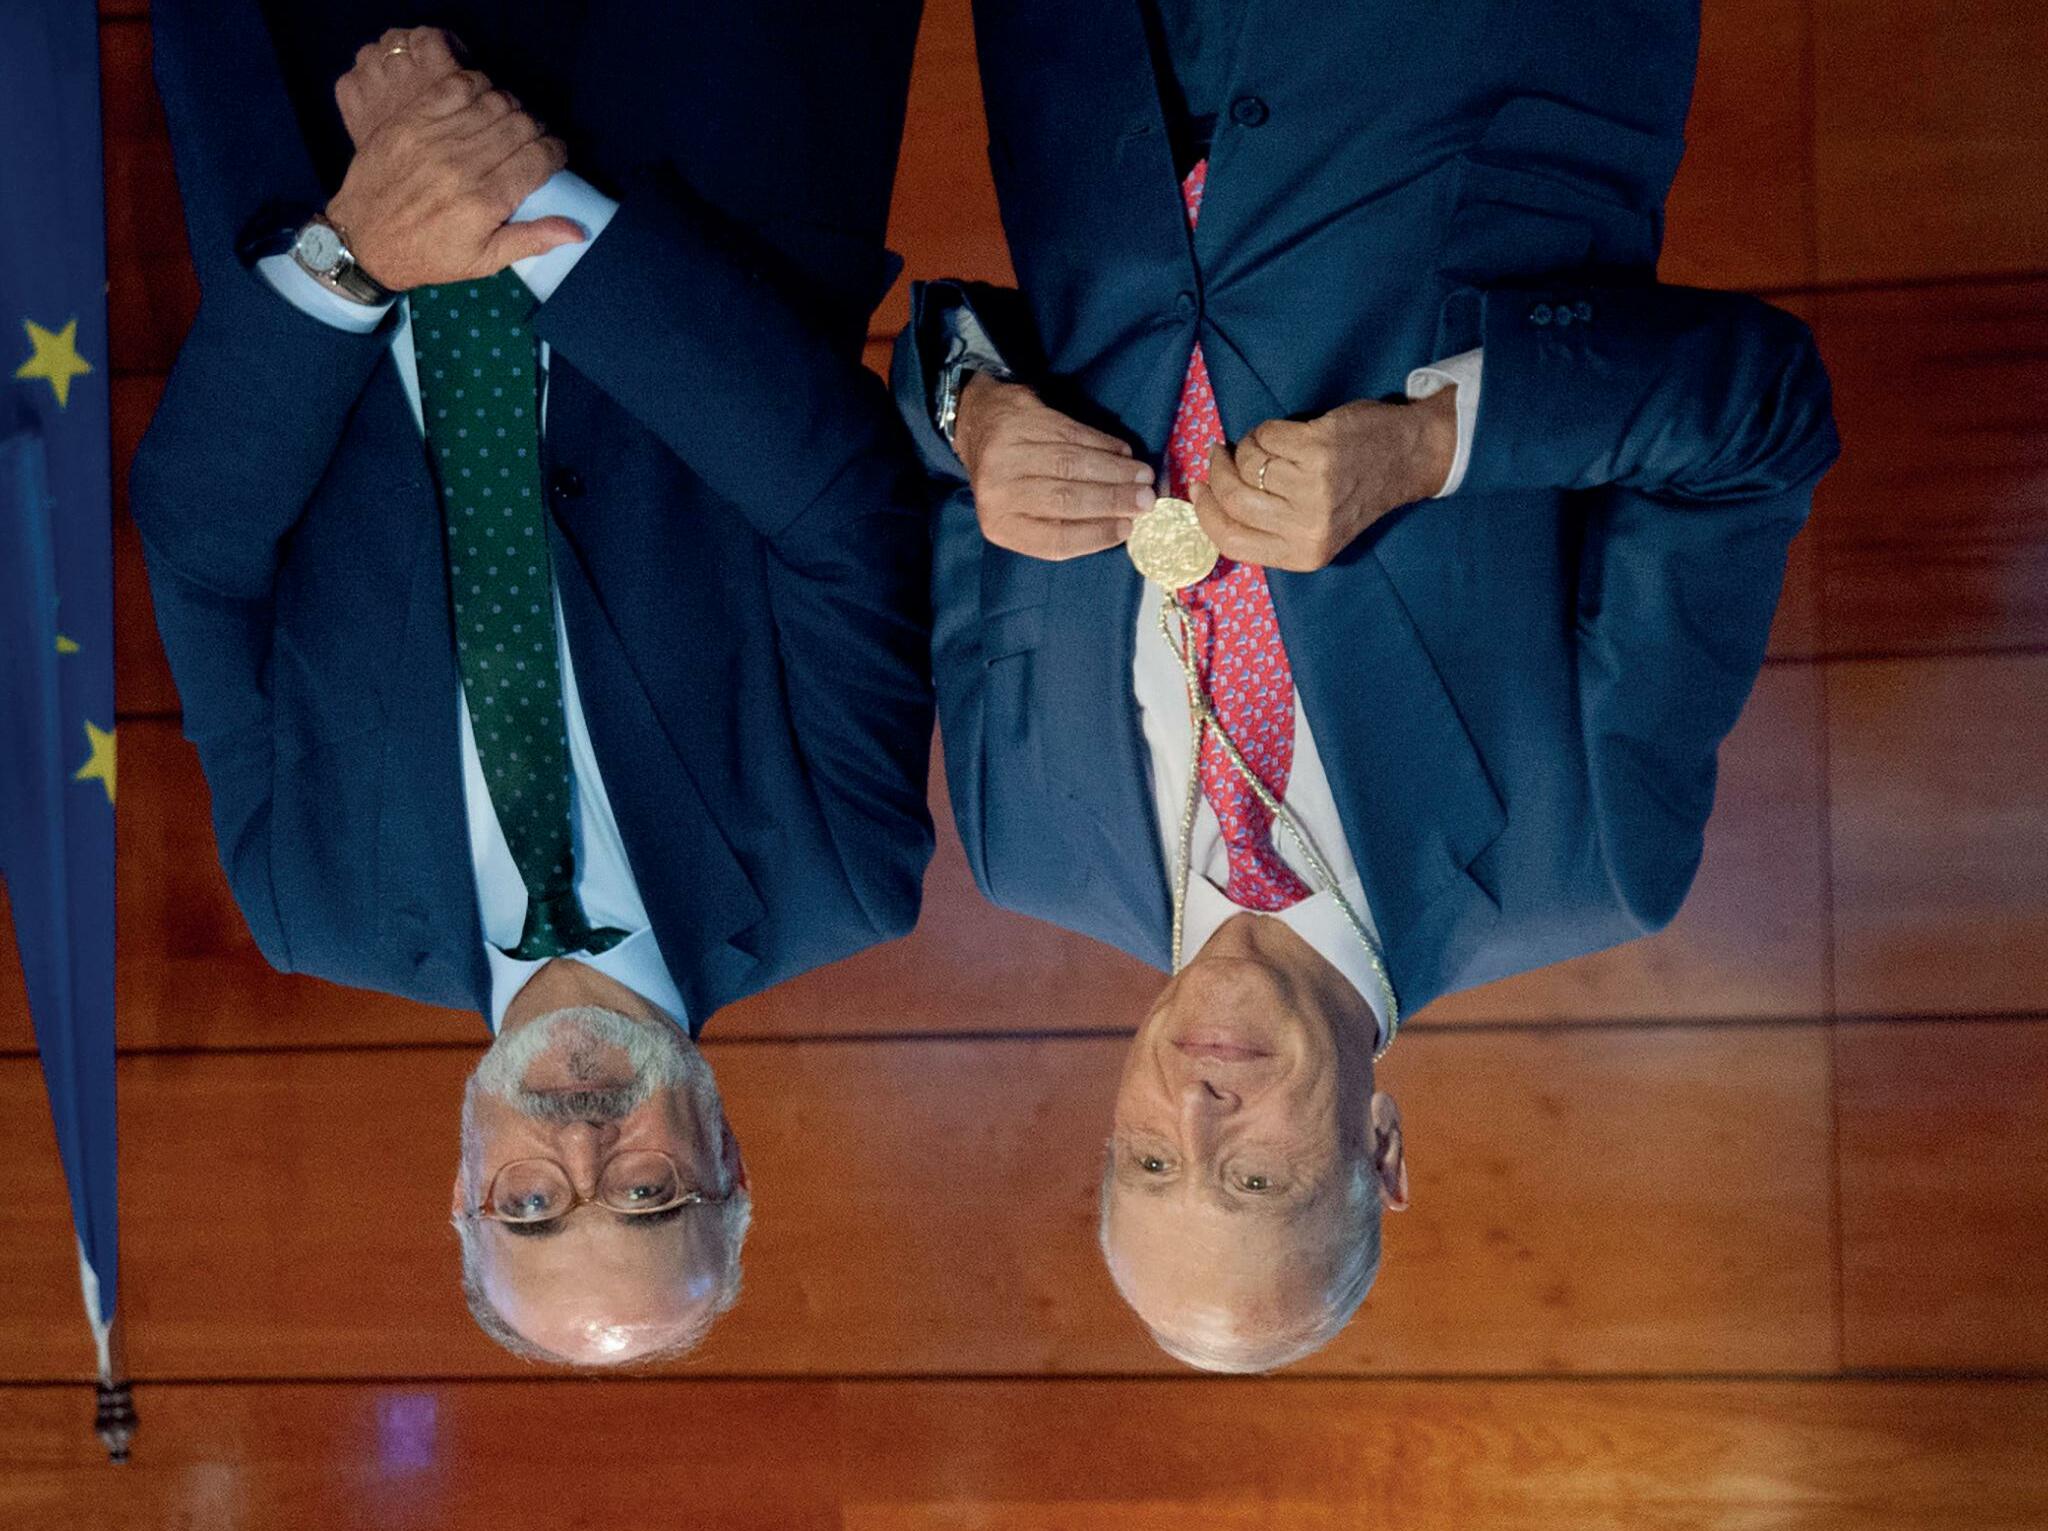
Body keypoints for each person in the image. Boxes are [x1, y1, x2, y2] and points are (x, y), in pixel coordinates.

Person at [896, 0, 1840, 1370]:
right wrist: (1436, 445)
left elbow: (941, 414)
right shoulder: (1589, 859)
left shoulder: (1022, 844)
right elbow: (1761, 418)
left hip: (1089, 66)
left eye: (1151, 1164)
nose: (1199, 1114)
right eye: (1256, 1178)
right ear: (1381, 1148)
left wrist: (971, 418)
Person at [133, 2, 932, 1365]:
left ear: (465, 1190)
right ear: (726, 1159)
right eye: (646, 1196)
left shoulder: (308, 905)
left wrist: (353, 260)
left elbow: (202, 553)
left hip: (321, 143)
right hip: (697, 107)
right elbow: (844, 510)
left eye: (532, 1207)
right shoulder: (840, 875)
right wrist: (539, 217)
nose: (582, 1151)